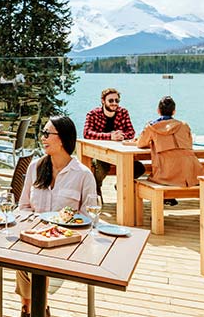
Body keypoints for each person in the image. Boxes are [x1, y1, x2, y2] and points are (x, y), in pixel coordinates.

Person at [17, 116, 97, 317]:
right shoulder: (35, 167)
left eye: (46, 134)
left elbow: (90, 218)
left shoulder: (83, 175)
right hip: (34, 237)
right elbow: (23, 207)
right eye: (42, 133)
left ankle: (32, 308)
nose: (42, 138)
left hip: (66, 242)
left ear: (62, 139)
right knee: (22, 256)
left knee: (32, 262)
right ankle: (34, 308)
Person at [83, 88, 144, 195]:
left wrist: (122, 136)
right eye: (111, 101)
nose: (114, 103)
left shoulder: (123, 112)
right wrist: (109, 136)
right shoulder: (93, 114)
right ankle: (96, 188)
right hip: (100, 154)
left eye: (117, 101)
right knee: (102, 166)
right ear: (103, 101)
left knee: (139, 167)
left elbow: (131, 132)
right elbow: (87, 133)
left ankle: (120, 185)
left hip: (120, 153)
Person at [136, 96, 202, 188]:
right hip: (192, 174)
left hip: (166, 175)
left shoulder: (152, 127)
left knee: (143, 181)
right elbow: (189, 144)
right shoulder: (184, 126)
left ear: (158, 111)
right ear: (174, 111)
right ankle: (168, 198)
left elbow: (140, 144)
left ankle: (167, 198)